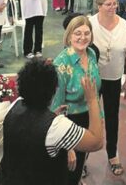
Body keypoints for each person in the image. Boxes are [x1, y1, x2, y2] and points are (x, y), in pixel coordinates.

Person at [0, 59, 103, 184]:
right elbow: (96, 142)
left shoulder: (14, 106)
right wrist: (92, 99)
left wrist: (51, 117)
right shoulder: (57, 126)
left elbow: (31, 128)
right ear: (53, 91)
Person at [88, 0, 126, 176]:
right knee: (87, 116)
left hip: (114, 78)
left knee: (112, 117)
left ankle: (112, 154)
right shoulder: (90, 24)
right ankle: (82, 155)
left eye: (114, 4)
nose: (112, 7)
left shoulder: (123, 24)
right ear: (99, 6)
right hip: (92, 79)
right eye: (108, 4)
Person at [51, 16, 102, 185]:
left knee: (81, 162)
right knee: (69, 169)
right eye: (77, 33)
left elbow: (95, 91)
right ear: (69, 36)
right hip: (70, 123)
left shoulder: (92, 54)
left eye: (87, 33)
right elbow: (57, 108)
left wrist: (98, 118)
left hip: (89, 116)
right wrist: (68, 146)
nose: (83, 37)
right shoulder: (61, 64)